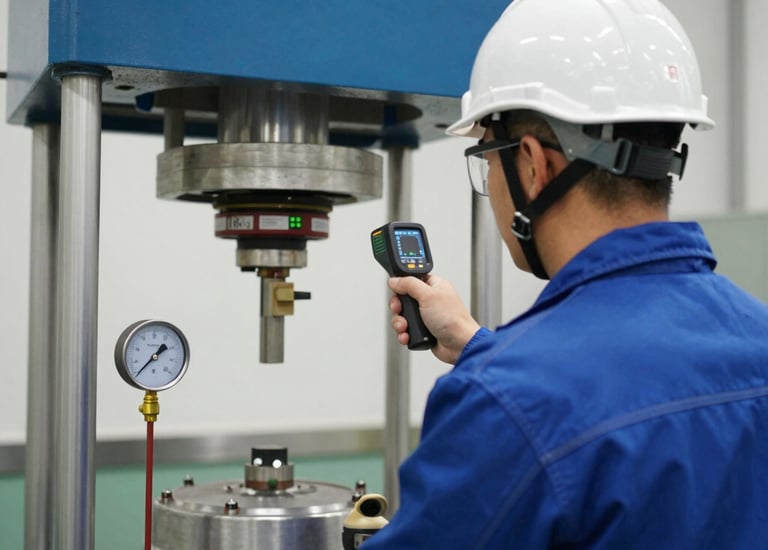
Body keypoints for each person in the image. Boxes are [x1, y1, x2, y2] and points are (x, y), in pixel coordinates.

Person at [363, 0, 768, 548]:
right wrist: (477, 343)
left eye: (487, 159)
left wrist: (496, 371)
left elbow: (549, 414)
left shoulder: (503, 401)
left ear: (533, 162)